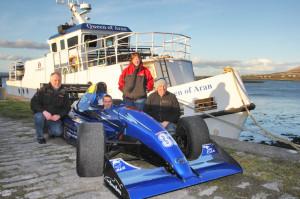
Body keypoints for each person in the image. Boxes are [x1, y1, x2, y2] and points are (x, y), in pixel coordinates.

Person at [31, 72, 71, 144]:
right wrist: (44, 112)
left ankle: (50, 131)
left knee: (58, 132)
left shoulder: (64, 92)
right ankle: (40, 137)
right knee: (38, 117)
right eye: (55, 80)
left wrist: (59, 115)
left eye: (59, 80)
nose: (57, 82)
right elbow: (33, 103)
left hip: (54, 118)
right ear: (50, 81)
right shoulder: (43, 90)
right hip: (43, 115)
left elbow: (67, 108)